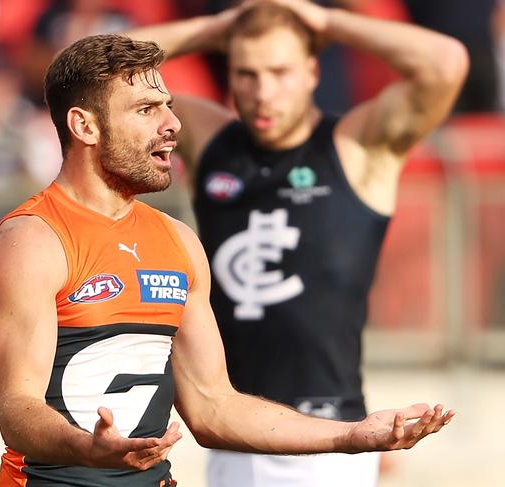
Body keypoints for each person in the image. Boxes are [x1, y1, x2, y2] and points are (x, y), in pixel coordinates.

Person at [0, 32, 456, 487]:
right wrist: (86, 448)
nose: (172, 125)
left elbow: (213, 406)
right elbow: (17, 410)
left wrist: (350, 436)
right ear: (84, 126)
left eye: (167, 105)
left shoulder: (177, 241)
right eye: (146, 109)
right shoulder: (31, 242)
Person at [123, 1, 468, 485]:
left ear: (311, 72)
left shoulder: (356, 145)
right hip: (233, 433)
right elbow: (94, 71)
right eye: (247, 73)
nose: (263, 93)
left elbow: (445, 62)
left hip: (336, 439)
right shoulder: (210, 138)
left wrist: (325, 22)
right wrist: (215, 28)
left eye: (280, 72)